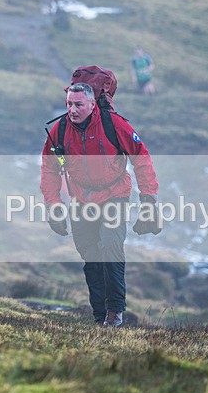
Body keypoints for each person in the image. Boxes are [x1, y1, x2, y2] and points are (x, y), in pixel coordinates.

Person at [40, 80, 159, 328]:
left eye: (79, 105)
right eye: (69, 104)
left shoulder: (114, 125)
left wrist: (148, 198)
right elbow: (50, 170)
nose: (72, 109)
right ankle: (99, 315)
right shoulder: (59, 130)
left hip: (115, 194)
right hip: (81, 199)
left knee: (111, 246)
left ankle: (115, 313)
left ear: (92, 104)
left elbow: (141, 157)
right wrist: (53, 205)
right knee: (90, 256)